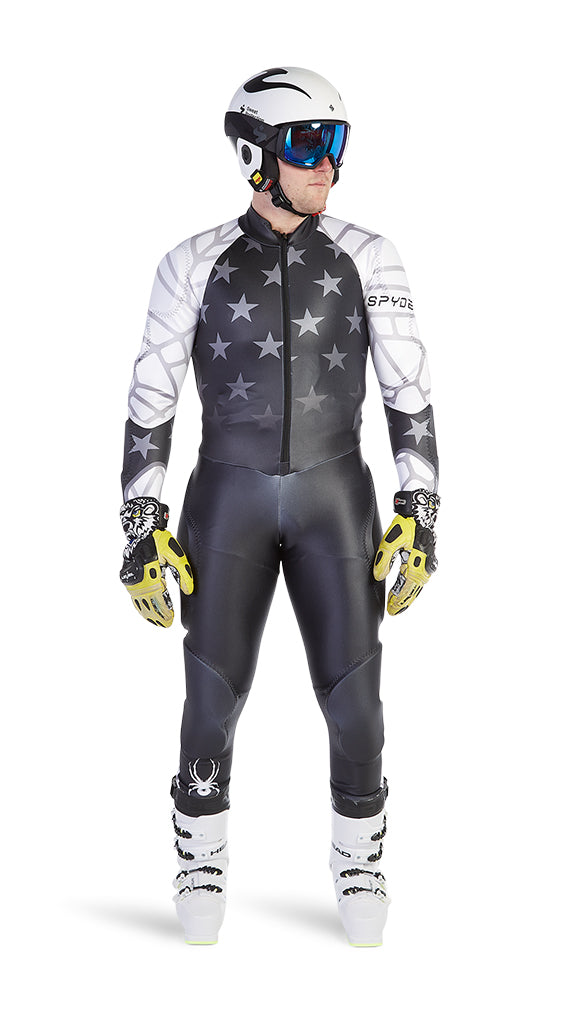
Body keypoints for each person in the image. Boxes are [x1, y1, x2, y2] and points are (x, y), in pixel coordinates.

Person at [118, 67, 440, 946]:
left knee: (357, 703)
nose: (327, 164)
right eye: (307, 143)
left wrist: (421, 506)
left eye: (336, 143)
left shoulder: (371, 255)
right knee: (210, 697)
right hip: (227, 502)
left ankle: (360, 856)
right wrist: (141, 526)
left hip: (337, 499)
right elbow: (151, 400)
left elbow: (408, 392)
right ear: (253, 156)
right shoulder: (191, 262)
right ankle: (200, 852)